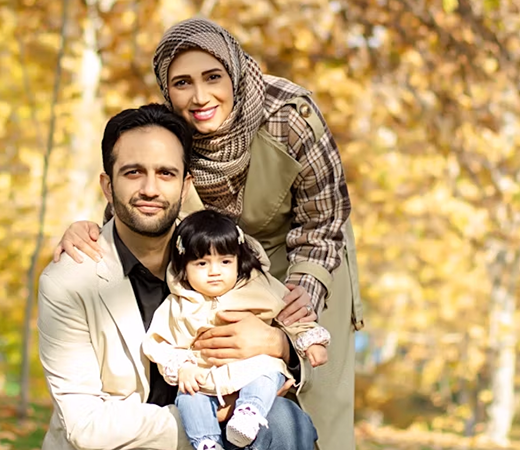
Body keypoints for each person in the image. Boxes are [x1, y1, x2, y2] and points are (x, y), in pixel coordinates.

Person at [53, 18, 364, 450]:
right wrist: (86, 230)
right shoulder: (171, 131)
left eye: (213, 77)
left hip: (309, 251)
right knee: (216, 372)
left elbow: (324, 219)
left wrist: (289, 320)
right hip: (217, 255)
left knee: (308, 400)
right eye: (182, 83)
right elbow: (138, 204)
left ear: (234, 72)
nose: (200, 97)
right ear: (167, 88)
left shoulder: (291, 116)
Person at [38, 103, 318, 450]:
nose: (151, 189)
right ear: (108, 187)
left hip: (233, 430)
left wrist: (282, 346)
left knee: (286, 422)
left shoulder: (233, 254)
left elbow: (293, 347)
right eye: (133, 173)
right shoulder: (68, 282)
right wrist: (207, 412)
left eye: (166, 173)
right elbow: (87, 426)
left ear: (186, 186)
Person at [142, 210, 331, 450]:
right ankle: (207, 442)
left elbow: (290, 315)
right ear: (183, 266)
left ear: (237, 260)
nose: (214, 271)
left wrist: (310, 340)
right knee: (189, 398)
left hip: (254, 368)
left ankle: (249, 412)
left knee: (268, 372)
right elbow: (159, 341)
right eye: (202, 263)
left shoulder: (259, 287)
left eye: (225, 261)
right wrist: (183, 367)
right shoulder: (178, 304)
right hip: (205, 378)